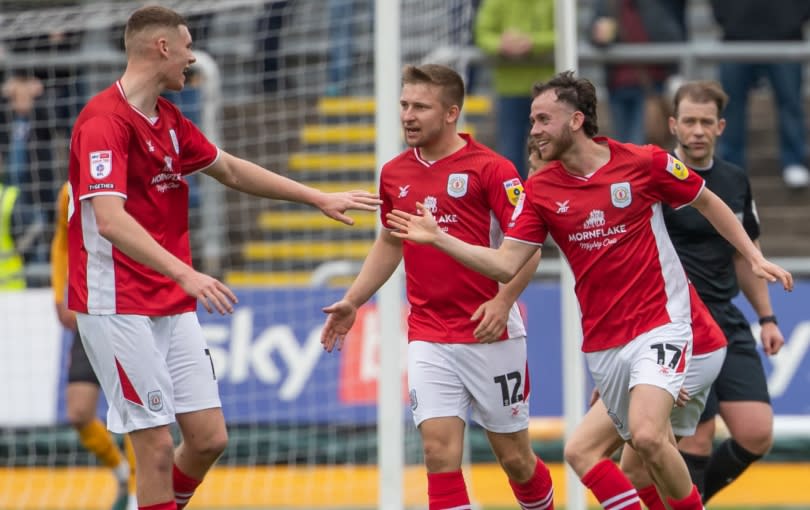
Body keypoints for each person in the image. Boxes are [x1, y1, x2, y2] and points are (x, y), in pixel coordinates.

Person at [385, 70, 793, 510]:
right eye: (532, 120)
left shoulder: (645, 162)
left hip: (664, 325)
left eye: (543, 119)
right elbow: (505, 263)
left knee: (649, 436)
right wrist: (439, 238)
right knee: (592, 454)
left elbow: (706, 199)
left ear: (576, 120)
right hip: (604, 343)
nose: (534, 130)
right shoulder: (540, 190)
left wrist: (752, 256)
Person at [66, 6, 380, 510]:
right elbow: (109, 220)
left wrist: (317, 197)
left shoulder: (169, 119)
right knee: (155, 447)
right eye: (187, 46)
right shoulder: (103, 122)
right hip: (117, 304)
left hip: (169, 299)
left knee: (209, 438)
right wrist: (186, 273)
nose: (192, 57)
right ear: (162, 48)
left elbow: (230, 169)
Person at [321, 64, 554, 510]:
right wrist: (353, 300)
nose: (408, 115)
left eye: (420, 107)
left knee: (516, 460)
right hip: (429, 333)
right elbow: (391, 241)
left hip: (491, 334)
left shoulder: (493, 169)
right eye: (405, 104)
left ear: (451, 113)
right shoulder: (394, 173)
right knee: (437, 454)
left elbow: (530, 249)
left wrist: (503, 303)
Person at [663, 80, 786, 502]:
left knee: (757, 433)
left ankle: (680, 502)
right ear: (673, 125)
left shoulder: (734, 181)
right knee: (695, 440)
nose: (698, 130)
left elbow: (745, 255)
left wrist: (766, 318)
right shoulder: (656, 179)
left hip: (726, 317)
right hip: (677, 323)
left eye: (706, 122)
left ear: (720, 127)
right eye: (690, 121)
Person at [51, 182, 137, 510]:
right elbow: (61, 243)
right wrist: (59, 294)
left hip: (129, 309)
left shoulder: (135, 181)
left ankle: (136, 491)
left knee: (134, 409)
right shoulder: (69, 191)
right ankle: (121, 471)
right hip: (88, 311)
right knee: (79, 412)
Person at [710, 0, 810, 189]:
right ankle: (731, 167)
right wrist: (727, 17)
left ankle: (794, 162)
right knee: (731, 108)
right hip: (735, 39)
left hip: (786, 39)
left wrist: (794, 19)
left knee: (790, 104)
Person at [474, 0, 554, 180]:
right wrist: (501, 44)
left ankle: (551, 201)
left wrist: (532, 42)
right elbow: (482, 34)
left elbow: (564, 34)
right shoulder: (495, 3)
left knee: (551, 152)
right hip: (510, 90)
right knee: (510, 154)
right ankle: (514, 205)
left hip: (547, 91)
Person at [589, 0, 686, 146]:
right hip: (617, 85)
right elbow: (594, 35)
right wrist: (599, 37)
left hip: (646, 87)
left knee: (638, 145)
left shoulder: (653, 5)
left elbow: (671, 36)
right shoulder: (607, 4)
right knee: (622, 144)